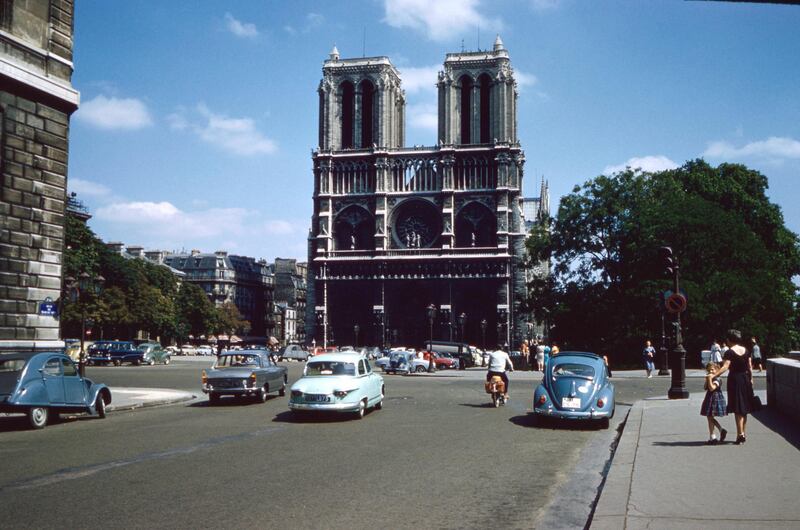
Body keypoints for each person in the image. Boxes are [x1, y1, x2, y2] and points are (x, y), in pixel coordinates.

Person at [710, 329, 754, 444]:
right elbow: (749, 366)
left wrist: (713, 375)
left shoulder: (729, 352)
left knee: (737, 407)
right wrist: (751, 379)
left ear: (729, 340)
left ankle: (740, 434)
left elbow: (725, 367)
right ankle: (743, 433)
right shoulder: (746, 350)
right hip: (745, 378)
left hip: (735, 379)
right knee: (744, 407)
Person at [700, 362, 728, 444]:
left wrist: (709, 379)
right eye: (709, 370)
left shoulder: (718, 379)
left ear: (717, 370)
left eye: (712, 370)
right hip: (709, 398)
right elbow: (705, 387)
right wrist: (707, 380)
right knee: (709, 417)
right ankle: (716, 434)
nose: (710, 372)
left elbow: (712, 388)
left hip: (715, 399)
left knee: (710, 417)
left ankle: (713, 436)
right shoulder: (711, 378)